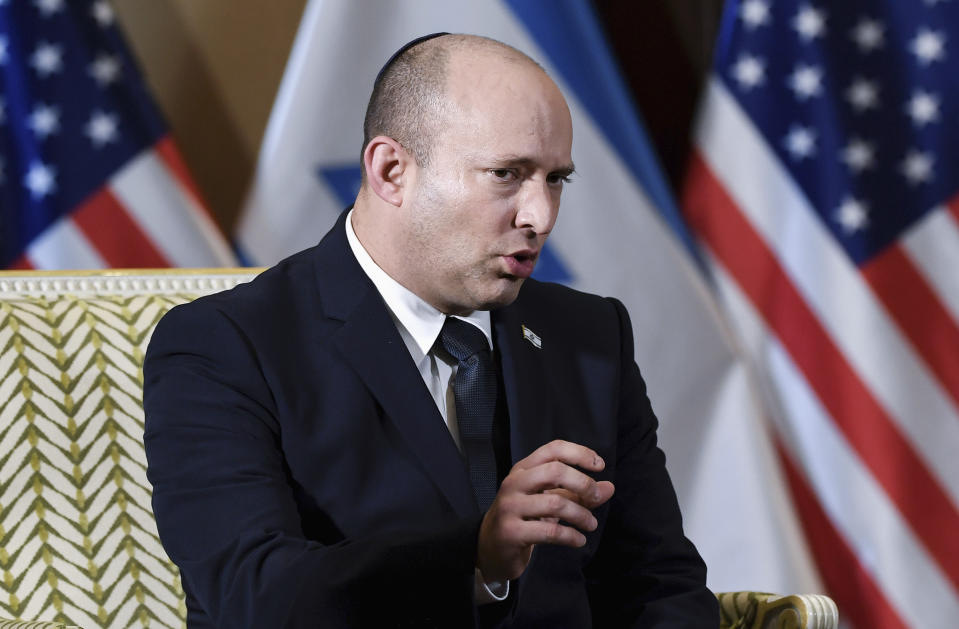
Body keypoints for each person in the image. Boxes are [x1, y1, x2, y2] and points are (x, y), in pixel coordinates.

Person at [144, 33, 718, 628]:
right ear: (391, 171)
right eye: (506, 174)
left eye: (555, 180)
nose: (540, 217)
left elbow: (659, 586)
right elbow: (254, 599)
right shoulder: (225, 347)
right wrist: (475, 556)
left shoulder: (590, 334)